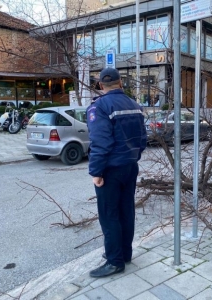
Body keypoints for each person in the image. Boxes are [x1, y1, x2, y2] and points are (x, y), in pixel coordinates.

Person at [87, 67, 147, 278]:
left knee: (109, 215)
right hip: (130, 167)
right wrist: (133, 159)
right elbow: (142, 141)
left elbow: (100, 143)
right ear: (121, 83)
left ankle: (114, 261)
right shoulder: (135, 106)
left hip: (110, 171)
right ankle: (125, 254)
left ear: (101, 85)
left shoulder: (100, 107)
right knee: (126, 211)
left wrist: (96, 172)